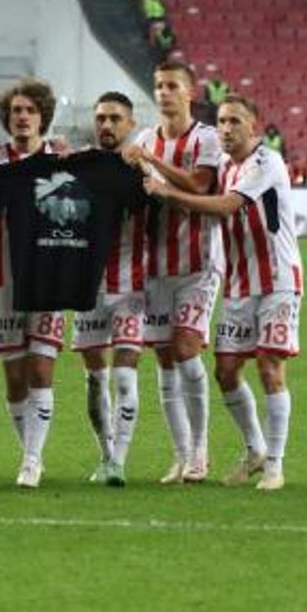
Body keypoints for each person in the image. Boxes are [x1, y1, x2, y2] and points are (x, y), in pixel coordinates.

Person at [143, 95, 302, 491]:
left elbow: (226, 206)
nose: (226, 129)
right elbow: (200, 188)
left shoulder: (267, 161)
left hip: (278, 280)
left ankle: (275, 465)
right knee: (226, 370)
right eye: (222, 122)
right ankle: (255, 449)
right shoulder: (226, 167)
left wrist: (166, 191)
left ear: (253, 125)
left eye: (235, 121)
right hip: (237, 282)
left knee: (269, 367)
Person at [121, 60, 222, 484]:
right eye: (159, 86)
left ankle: (200, 450)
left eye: (172, 86)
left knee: (185, 349)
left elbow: (199, 186)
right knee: (163, 358)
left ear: (189, 92)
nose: (163, 93)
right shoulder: (145, 138)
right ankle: (180, 456)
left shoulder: (207, 138)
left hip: (198, 265)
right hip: (156, 266)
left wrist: (151, 164)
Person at [0, 79, 65, 488]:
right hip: (5, 279)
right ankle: (30, 452)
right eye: (16, 111)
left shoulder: (63, 160)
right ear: (7, 118)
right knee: (15, 379)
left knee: (41, 369)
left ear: (43, 117)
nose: (22, 117)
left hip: (49, 278)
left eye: (30, 111)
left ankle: (32, 461)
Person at [71, 92, 149, 486]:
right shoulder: (78, 167)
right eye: (101, 118)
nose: (106, 125)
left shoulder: (143, 168)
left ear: (130, 124)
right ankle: (104, 452)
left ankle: (118, 461)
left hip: (131, 285)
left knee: (124, 373)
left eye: (115, 118)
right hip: (89, 286)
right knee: (95, 377)